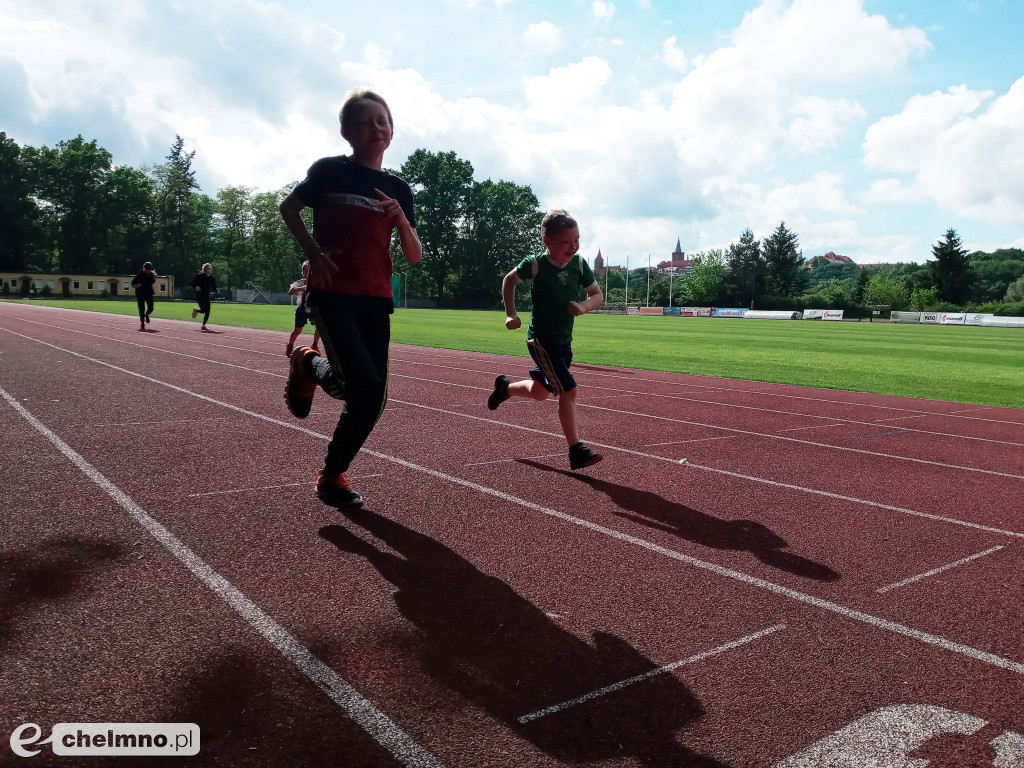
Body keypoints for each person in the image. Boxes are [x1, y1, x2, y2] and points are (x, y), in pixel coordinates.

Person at [279, 89, 421, 508]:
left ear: (392, 130)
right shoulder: (329, 172)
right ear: (346, 131)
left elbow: (412, 256)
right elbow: (288, 208)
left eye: (384, 121)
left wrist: (401, 221)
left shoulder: (398, 188)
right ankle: (306, 362)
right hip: (333, 294)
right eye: (366, 121)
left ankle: (331, 474)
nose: (377, 128)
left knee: (372, 396)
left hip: (376, 298)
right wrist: (313, 253)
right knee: (363, 383)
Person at [488, 209, 604, 470]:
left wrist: (584, 307)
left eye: (577, 240)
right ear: (546, 240)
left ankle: (504, 388)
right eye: (566, 242)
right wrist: (510, 314)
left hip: (563, 341)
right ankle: (576, 450)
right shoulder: (535, 264)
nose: (573, 246)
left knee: (541, 392)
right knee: (569, 390)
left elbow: (597, 294)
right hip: (541, 340)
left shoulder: (580, 264)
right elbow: (509, 280)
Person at [285, 260, 321, 357]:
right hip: (302, 309)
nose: (308, 273)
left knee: (320, 327)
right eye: (306, 271)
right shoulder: (301, 282)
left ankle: (315, 345)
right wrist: (304, 288)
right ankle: (290, 345)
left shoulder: (318, 283)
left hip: (314, 309)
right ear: (303, 272)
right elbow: (290, 292)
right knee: (298, 330)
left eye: (310, 271)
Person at [190, 263, 217, 329]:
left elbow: (214, 286)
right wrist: (196, 286)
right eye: (209, 268)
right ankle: (196, 310)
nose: (211, 270)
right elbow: (192, 283)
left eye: (211, 268)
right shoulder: (200, 276)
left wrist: (216, 290)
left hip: (206, 295)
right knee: (204, 310)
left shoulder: (211, 278)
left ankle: (203, 325)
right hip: (199, 295)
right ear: (205, 269)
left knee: (208, 310)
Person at [131, 261, 156, 331]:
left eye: (150, 269)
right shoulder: (140, 275)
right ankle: (142, 324)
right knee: (141, 309)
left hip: (149, 293)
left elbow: (152, 282)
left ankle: (146, 314)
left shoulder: (152, 275)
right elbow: (132, 284)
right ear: (144, 268)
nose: (149, 271)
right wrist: (137, 285)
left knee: (151, 307)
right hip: (140, 294)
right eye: (147, 269)